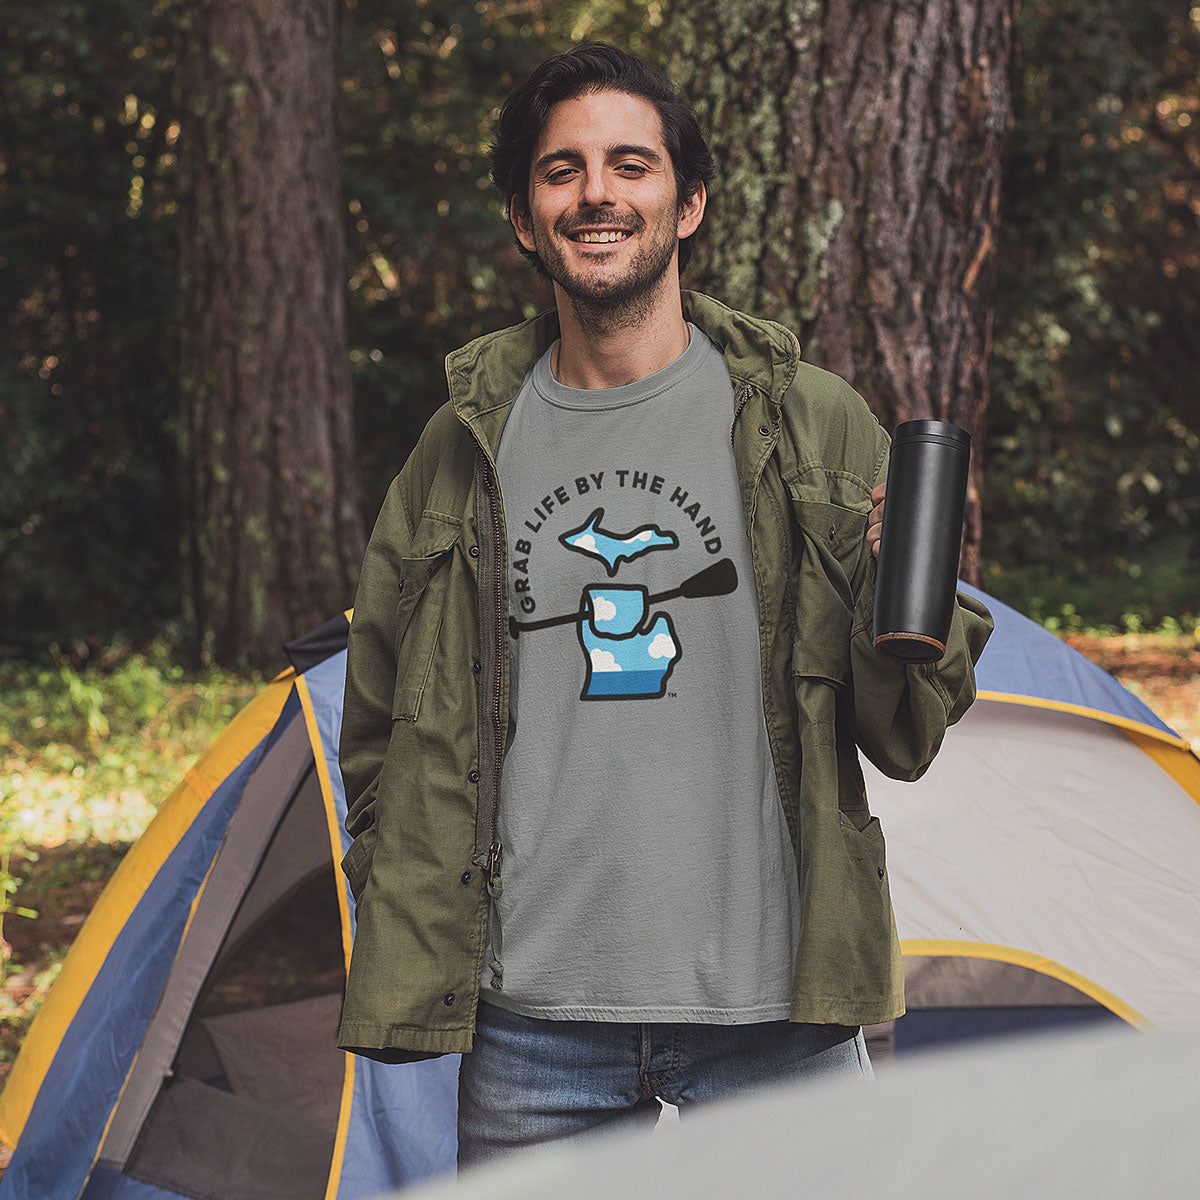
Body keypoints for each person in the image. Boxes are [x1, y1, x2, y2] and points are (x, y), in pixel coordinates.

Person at [336, 43, 993, 1167]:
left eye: (630, 165)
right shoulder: (460, 446)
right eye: (562, 171)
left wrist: (904, 599)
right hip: (534, 1022)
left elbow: (909, 730)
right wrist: (409, 893)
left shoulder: (814, 424)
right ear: (524, 219)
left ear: (687, 205)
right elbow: (378, 720)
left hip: (779, 1015)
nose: (597, 193)